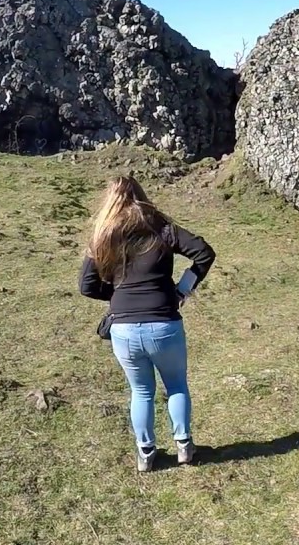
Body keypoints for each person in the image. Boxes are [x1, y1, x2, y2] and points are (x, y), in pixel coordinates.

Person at [79, 175, 215, 472]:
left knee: (141, 392)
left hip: (123, 329)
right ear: (141, 196)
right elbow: (204, 253)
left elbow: (86, 286)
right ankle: (184, 447)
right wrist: (183, 289)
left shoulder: (102, 235)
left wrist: (118, 297)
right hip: (164, 323)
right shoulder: (162, 229)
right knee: (176, 385)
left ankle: (146, 454)